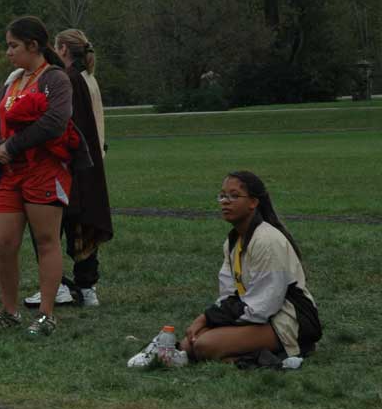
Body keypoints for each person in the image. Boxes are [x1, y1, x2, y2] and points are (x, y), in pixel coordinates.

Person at [128, 171, 322, 368]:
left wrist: (207, 319)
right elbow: (229, 294)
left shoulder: (267, 241)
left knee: (205, 344)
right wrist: (210, 321)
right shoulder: (233, 242)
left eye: (234, 196)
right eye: (222, 196)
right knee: (189, 343)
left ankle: (275, 355)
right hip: (256, 314)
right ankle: (210, 354)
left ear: (253, 203)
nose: (225, 201)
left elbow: (264, 305)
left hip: (288, 320)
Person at [0, 16, 79, 338]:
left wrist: (14, 144)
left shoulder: (55, 79)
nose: (8, 52)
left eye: (13, 46)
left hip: (43, 170)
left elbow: (56, 121)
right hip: (11, 173)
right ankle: (9, 312)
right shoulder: (12, 81)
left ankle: (46, 315)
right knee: (4, 244)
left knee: (46, 241)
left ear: (33, 46)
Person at [23, 29, 112, 309]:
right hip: (91, 163)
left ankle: (58, 285)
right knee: (82, 224)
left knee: (50, 227)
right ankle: (86, 288)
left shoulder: (68, 80)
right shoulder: (88, 79)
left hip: (69, 165)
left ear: (62, 49)